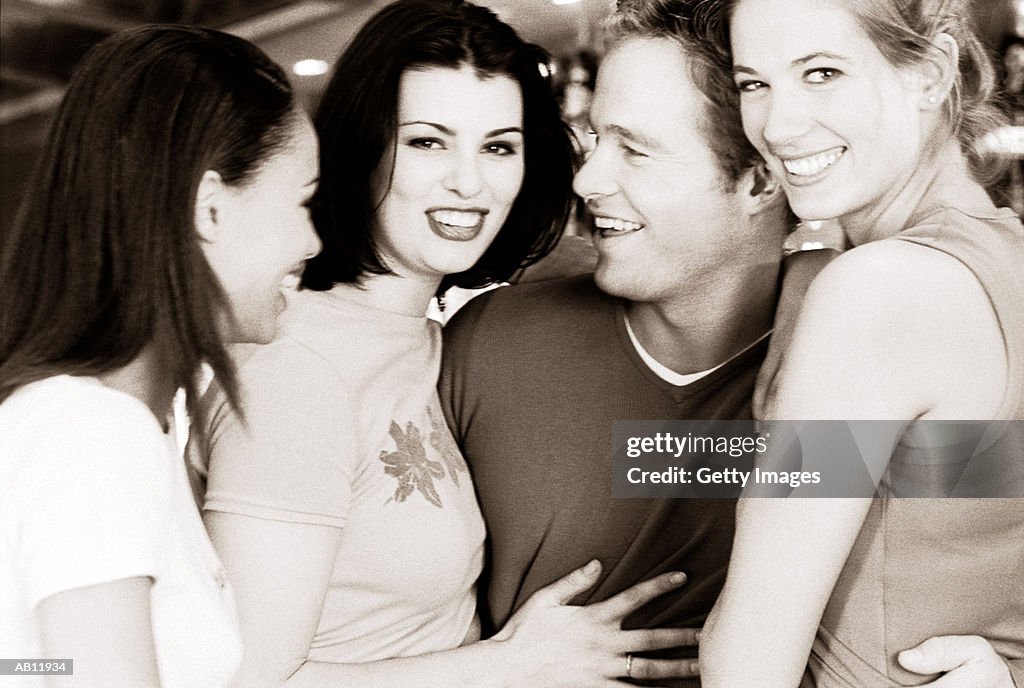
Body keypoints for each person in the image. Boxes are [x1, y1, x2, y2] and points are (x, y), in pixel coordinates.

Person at [191, 1, 697, 686]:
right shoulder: (297, 365)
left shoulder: (449, 336)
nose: (470, 182)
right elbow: (240, 680)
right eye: (428, 142)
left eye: (498, 146)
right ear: (364, 147)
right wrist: (507, 666)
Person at [439, 2, 795, 686]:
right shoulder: (491, 345)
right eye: (596, 138)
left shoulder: (849, 370)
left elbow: (988, 519)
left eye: (635, 150)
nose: (587, 180)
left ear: (758, 179)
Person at [690, 0, 1024, 686]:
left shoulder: (880, 293)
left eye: (821, 73)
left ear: (929, 75)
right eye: (754, 82)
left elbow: (747, 664)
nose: (777, 127)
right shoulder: (1003, 255)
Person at [0, 25, 321, 688]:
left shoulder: (128, 421)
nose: (313, 241)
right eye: (303, 201)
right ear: (209, 209)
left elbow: (35, 666)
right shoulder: (92, 434)